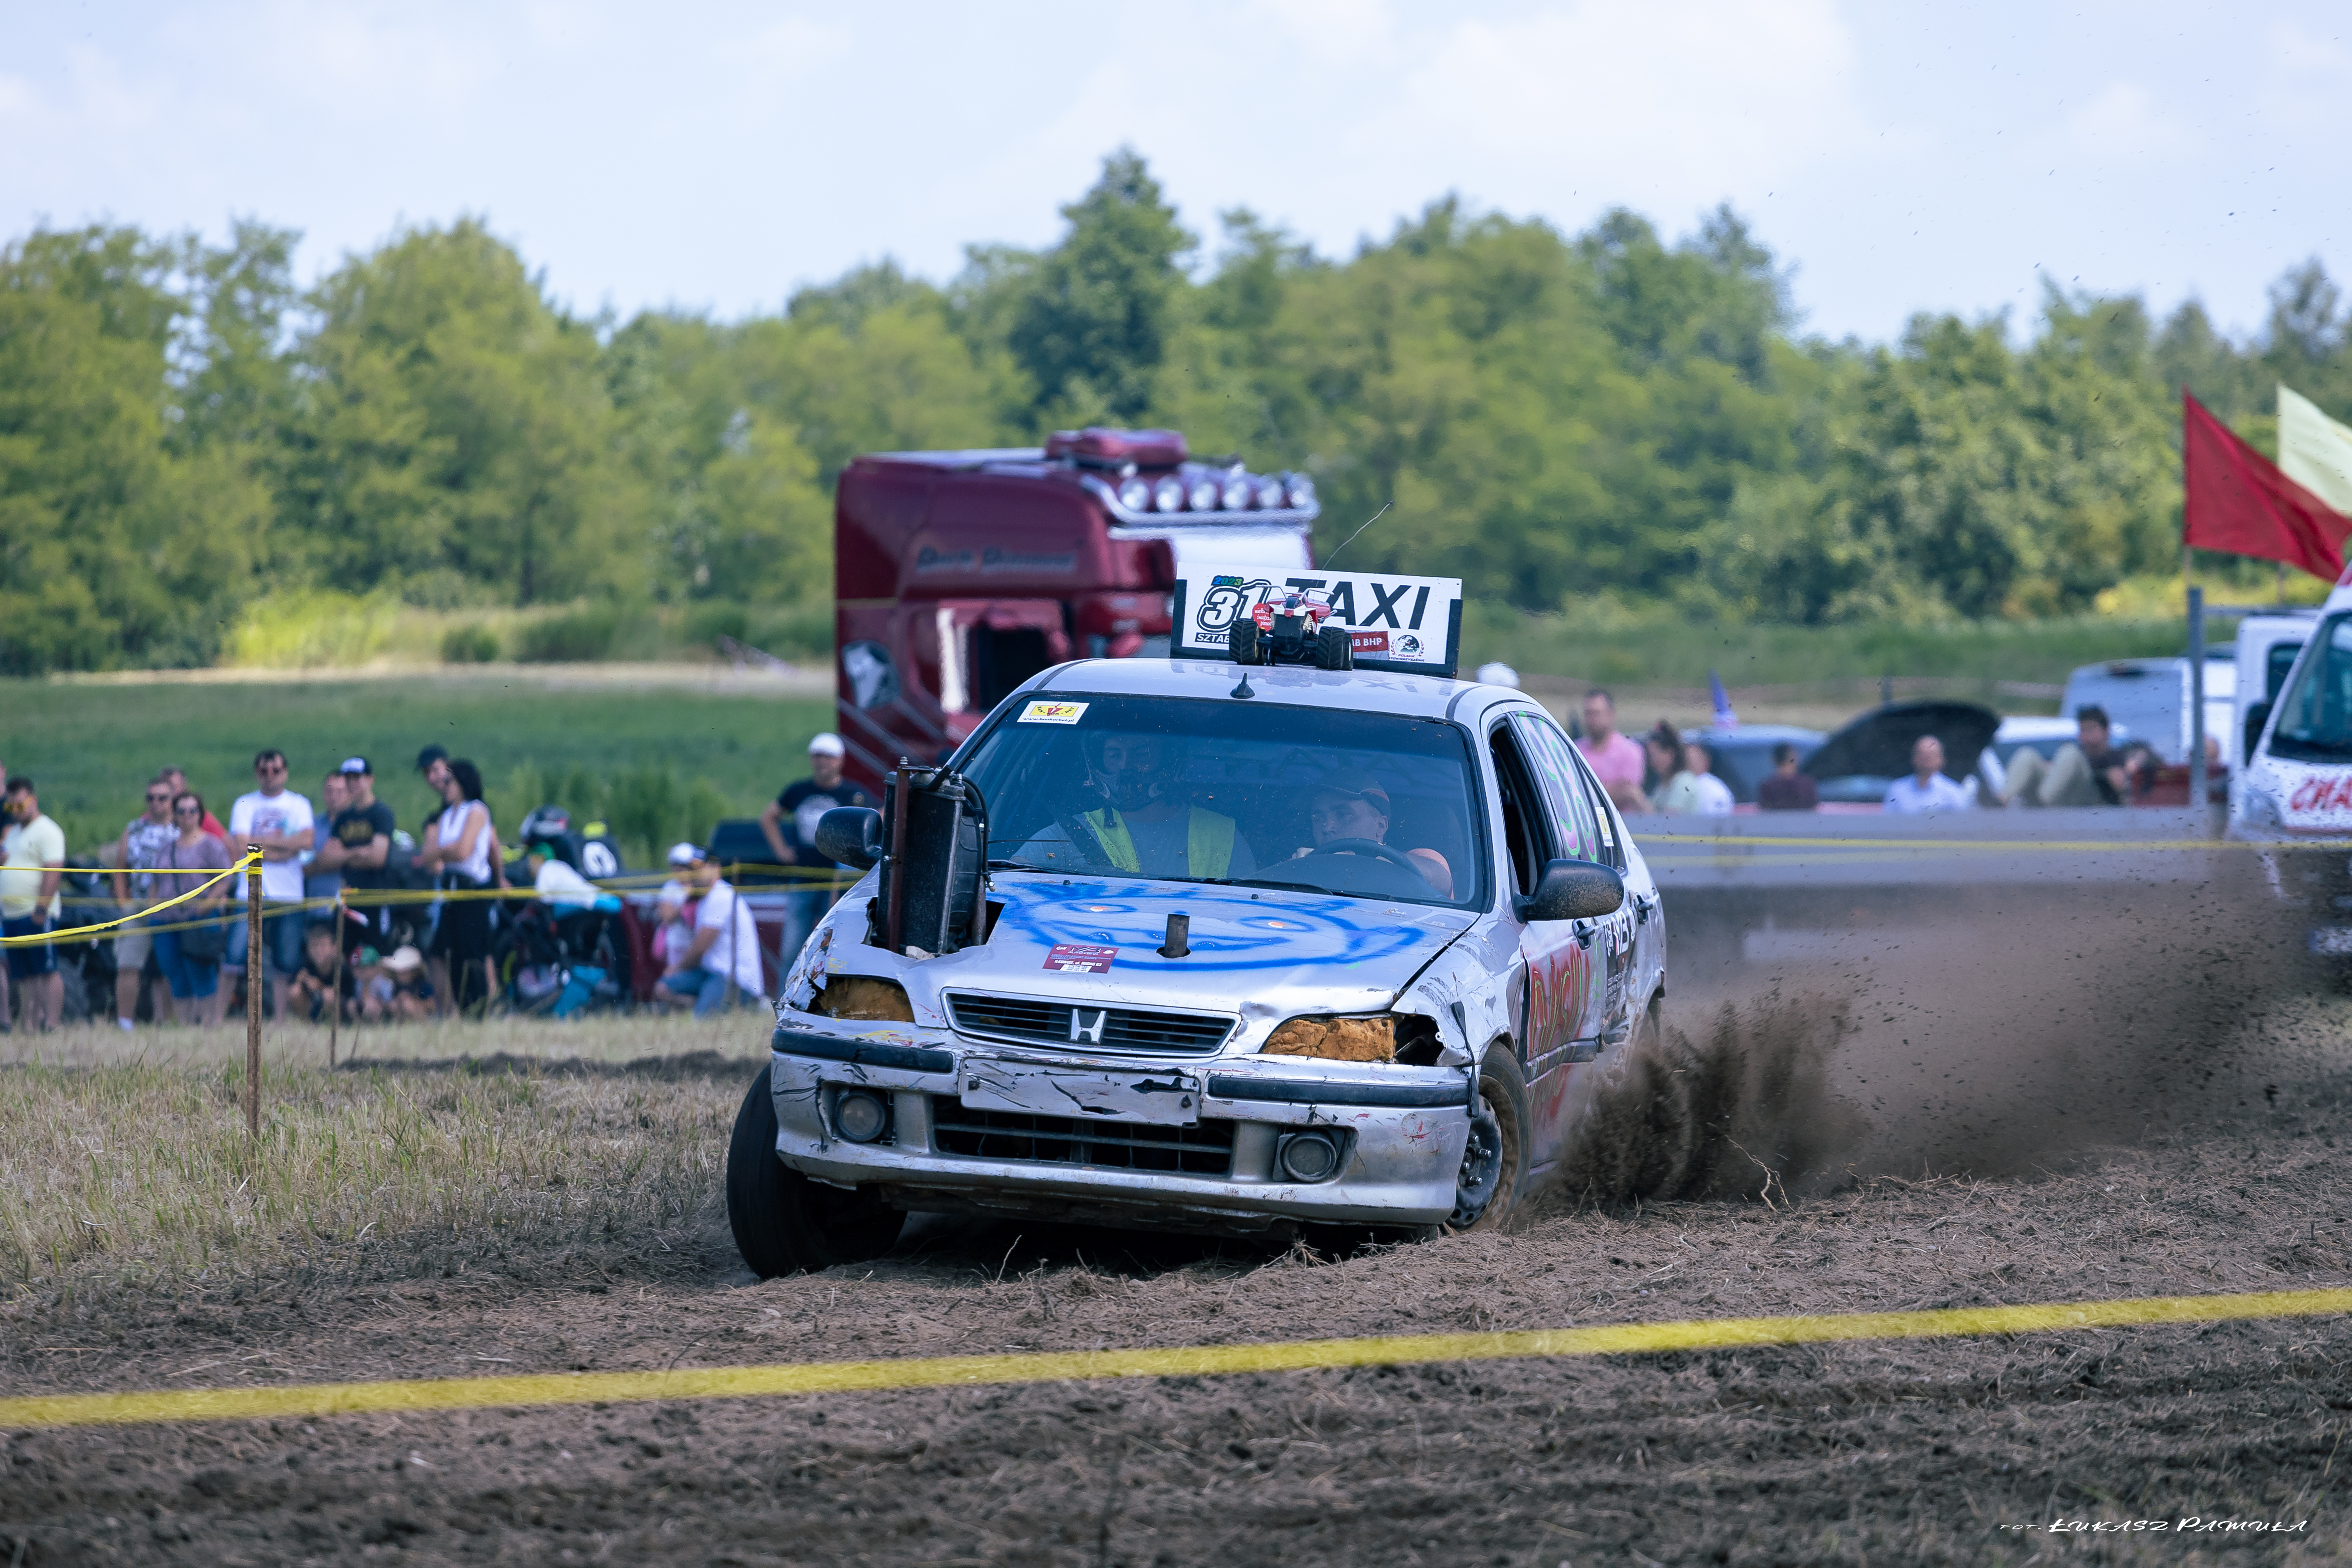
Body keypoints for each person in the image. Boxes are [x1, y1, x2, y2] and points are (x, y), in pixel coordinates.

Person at [1018, 732, 1257, 879]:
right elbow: (1008, 889)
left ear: (1168, 761)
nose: (1126, 766)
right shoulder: (1064, 837)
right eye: (1114, 755)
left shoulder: (1222, 834)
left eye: (1141, 754)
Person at [761, 732, 874, 955]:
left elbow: (879, 814)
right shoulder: (799, 790)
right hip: (803, 878)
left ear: (840, 760)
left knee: (831, 945)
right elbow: (769, 817)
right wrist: (781, 850)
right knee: (792, 948)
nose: (822, 761)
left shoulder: (853, 794)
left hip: (837, 883)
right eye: (817, 756)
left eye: (828, 757)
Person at [222, 749, 315, 1018]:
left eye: (275, 770)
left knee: (286, 961)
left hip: (289, 893)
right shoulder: (244, 803)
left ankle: (281, 1019)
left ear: (285, 772)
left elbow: (307, 841)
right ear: (257, 773)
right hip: (249, 890)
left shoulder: (299, 804)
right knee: (235, 955)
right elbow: (241, 844)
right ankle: (216, 1018)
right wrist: (285, 849)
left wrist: (259, 844)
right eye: (264, 770)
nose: (270, 776)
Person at [417, 757, 496, 1015]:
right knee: (442, 952)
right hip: (450, 890)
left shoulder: (476, 810)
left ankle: (481, 1009)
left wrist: (441, 852)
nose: (444, 785)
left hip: (472, 889)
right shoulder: (447, 815)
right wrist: (443, 852)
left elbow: (464, 851)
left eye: (449, 780)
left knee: (473, 954)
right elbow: (428, 856)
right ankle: (452, 1011)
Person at [104, 776, 184, 1028]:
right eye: (150, 798)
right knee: (128, 964)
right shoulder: (134, 829)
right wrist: (125, 904)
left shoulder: (184, 829)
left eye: (162, 798)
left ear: (173, 800)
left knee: (168, 968)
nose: (156, 803)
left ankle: (167, 1022)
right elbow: (120, 868)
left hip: (171, 909)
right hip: (137, 907)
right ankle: (125, 1023)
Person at [1295, 770, 1452, 896]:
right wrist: (1298, 870)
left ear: (1381, 826)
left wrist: (1363, 861)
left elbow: (1436, 877)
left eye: (1343, 815)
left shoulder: (1422, 858)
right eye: (1318, 818)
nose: (1326, 827)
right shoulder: (1306, 868)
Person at [152, 790, 233, 1027]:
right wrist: (152, 910)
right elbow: (155, 883)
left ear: (200, 814)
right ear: (175, 815)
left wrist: (209, 905)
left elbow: (224, 878)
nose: (187, 816)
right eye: (181, 811)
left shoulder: (211, 845)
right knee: (174, 972)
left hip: (199, 917)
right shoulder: (166, 848)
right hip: (166, 919)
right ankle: (186, 1025)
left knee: (200, 969)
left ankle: (209, 1024)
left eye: (192, 810)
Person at [654, 848, 765, 1015]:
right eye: (692, 869)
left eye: (700, 868)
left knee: (703, 1019)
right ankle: (705, 1007)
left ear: (716, 868)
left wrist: (676, 968)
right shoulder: (704, 898)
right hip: (710, 973)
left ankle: (741, 1006)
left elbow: (700, 948)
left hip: (733, 978)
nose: (694, 874)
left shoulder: (720, 896)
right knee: (663, 988)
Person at [2, 777, 67, 1033]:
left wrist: (42, 908)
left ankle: (52, 1023)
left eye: (20, 805)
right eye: (11, 808)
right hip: (12, 914)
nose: (15, 812)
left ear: (34, 801)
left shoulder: (48, 831)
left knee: (47, 970)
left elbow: (54, 871)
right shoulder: (13, 833)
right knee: (25, 975)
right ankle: (29, 1025)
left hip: (38, 913)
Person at [317, 757, 397, 949]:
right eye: (348, 778)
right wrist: (360, 853)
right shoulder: (344, 817)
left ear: (370, 779)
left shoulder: (381, 813)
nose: (352, 783)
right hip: (348, 898)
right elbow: (326, 860)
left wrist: (344, 855)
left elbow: (377, 858)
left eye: (357, 778)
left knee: (377, 953)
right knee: (344, 955)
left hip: (375, 897)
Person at [2001, 707, 2151, 808]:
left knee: (2070, 752)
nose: (2085, 735)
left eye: (2090, 729)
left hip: (2090, 802)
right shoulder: (2077, 752)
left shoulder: (2117, 754)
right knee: (2027, 755)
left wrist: (2131, 766)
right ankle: (2002, 799)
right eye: (2082, 730)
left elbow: (2145, 755)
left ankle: (2043, 803)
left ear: (2106, 731)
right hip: (2061, 799)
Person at [1576, 690, 1649, 814]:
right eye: (1588, 714)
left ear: (1611, 715)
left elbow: (1628, 791)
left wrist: (1583, 791)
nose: (1592, 720)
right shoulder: (1575, 750)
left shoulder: (1630, 751)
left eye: (1596, 713)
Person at [287, 921, 356, 1024]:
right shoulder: (304, 967)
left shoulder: (342, 969)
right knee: (295, 991)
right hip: (313, 1007)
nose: (319, 951)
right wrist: (299, 982)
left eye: (323, 946)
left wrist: (320, 987)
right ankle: (307, 1023)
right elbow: (292, 991)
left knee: (329, 995)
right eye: (314, 946)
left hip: (341, 1011)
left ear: (334, 948)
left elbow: (349, 998)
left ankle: (333, 1024)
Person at [1883, 735, 1974, 813]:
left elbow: (1961, 827)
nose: (1926, 758)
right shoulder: (1897, 790)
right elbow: (1887, 824)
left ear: (1942, 760)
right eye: (1922, 754)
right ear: (1913, 758)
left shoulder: (1953, 793)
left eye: (1931, 754)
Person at [1656, 740, 1735, 817]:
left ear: (1705, 761)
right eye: (1685, 760)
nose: (1687, 764)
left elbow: (1717, 820)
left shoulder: (1714, 790)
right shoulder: (1680, 782)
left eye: (1691, 760)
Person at [157, 768, 228, 842]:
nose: (169, 793)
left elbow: (228, 844)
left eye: (174, 788)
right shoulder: (150, 819)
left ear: (185, 790)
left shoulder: (196, 815)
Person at [1756, 742, 1820, 812]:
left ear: (1774, 760)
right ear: (1794, 759)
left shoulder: (1767, 786)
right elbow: (1814, 810)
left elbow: (1764, 812)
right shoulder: (1807, 784)